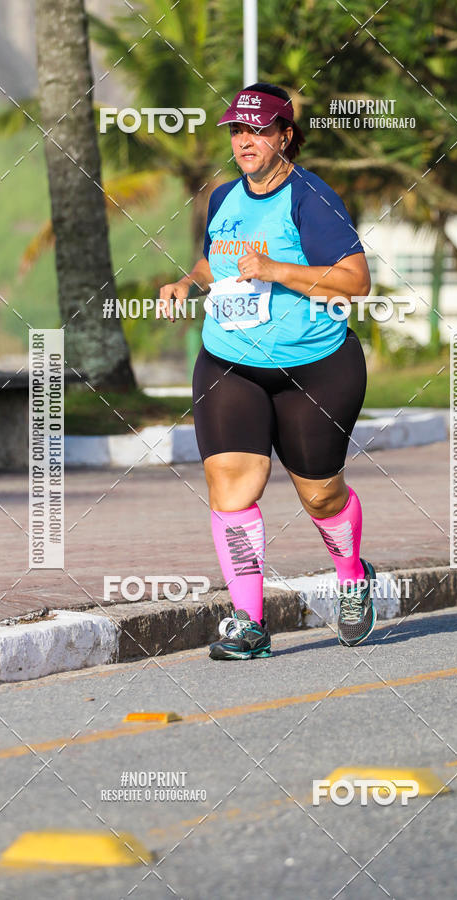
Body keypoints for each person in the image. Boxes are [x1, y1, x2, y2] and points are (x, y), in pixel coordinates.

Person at [160, 82, 375, 660]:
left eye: (258, 130)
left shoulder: (311, 197)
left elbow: (356, 282)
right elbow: (218, 256)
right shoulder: (225, 196)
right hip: (230, 360)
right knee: (231, 483)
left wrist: (278, 269)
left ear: (285, 136)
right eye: (237, 130)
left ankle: (353, 576)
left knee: (321, 496)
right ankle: (248, 621)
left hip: (316, 366)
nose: (245, 140)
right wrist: (188, 281)